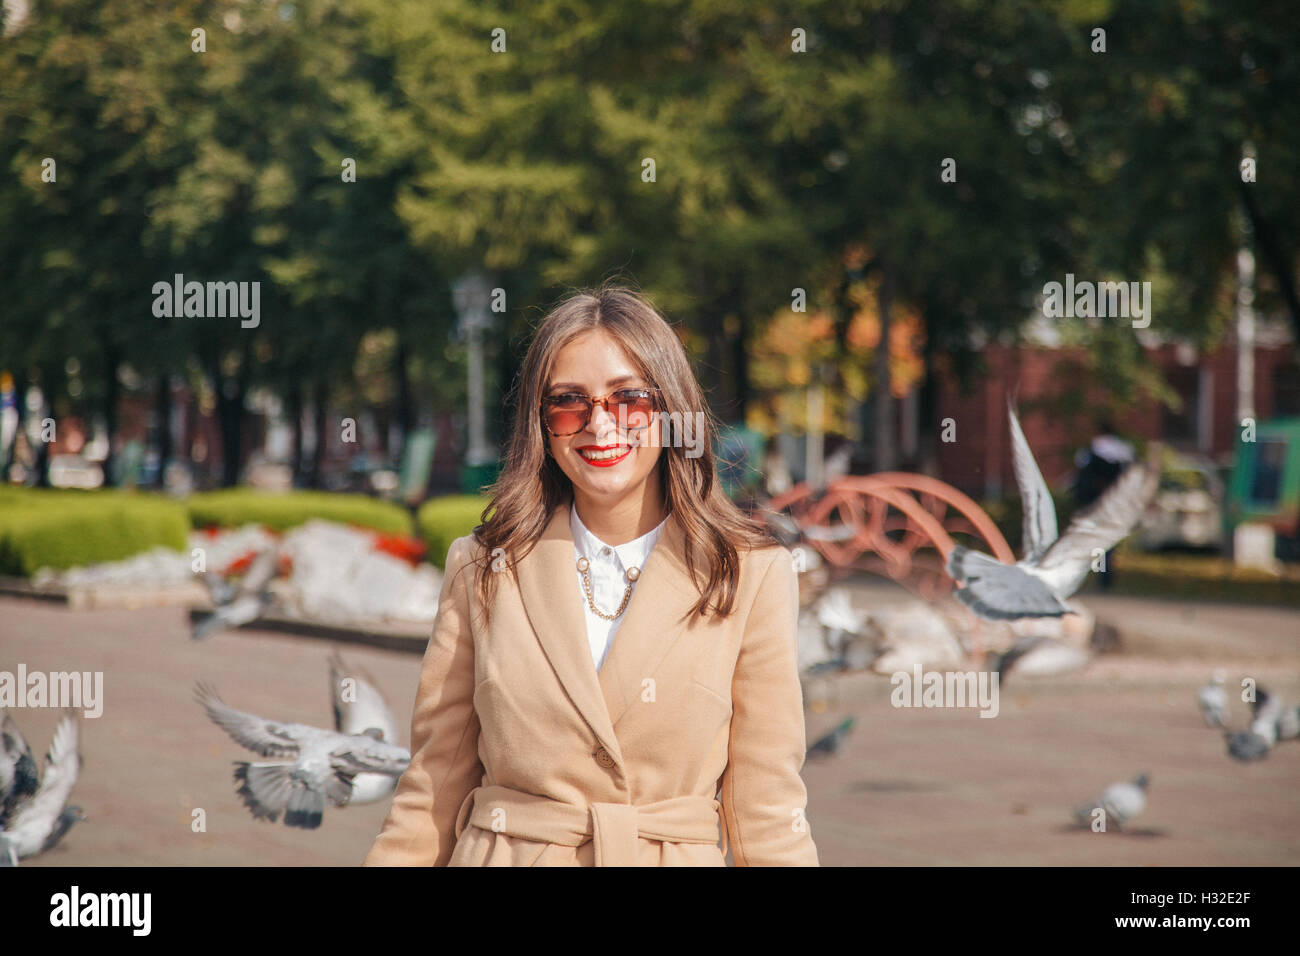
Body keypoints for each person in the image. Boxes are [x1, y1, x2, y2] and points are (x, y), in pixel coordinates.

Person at [363, 283, 819, 866]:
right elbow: (432, 787)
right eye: (569, 402)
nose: (600, 426)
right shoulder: (483, 567)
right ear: (542, 423)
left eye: (628, 399)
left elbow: (768, 809)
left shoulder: (748, 574)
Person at [1072, 419, 1135, 590]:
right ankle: (1106, 576)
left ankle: (1099, 574)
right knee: (1109, 541)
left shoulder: (1091, 450)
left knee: (1095, 540)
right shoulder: (1124, 451)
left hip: (1095, 502)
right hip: (1117, 503)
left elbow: (1082, 476)